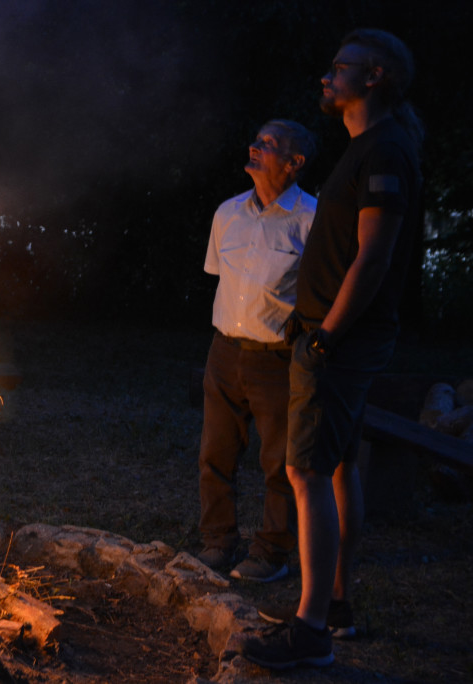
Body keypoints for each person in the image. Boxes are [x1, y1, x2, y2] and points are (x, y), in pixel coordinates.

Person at [244, 28, 424, 669]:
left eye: (338, 68)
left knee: (306, 472)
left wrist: (326, 335)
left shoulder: (384, 152)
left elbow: (374, 257)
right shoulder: (368, 148)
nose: (327, 76)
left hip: (340, 340)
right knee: (341, 467)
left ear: (373, 77)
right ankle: (335, 604)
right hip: (338, 337)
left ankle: (310, 629)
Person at [197, 120, 317, 584]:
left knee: (279, 462)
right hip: (224, 350)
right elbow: (219, 276)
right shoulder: (228, 213)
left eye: (268, 145)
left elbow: (324, 290)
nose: (255, 147)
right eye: (257, 140)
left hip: (277, 357)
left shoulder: (311, 219)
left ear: (294, 162)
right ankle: (217, 542)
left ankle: (270, 552)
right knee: (215, 453)